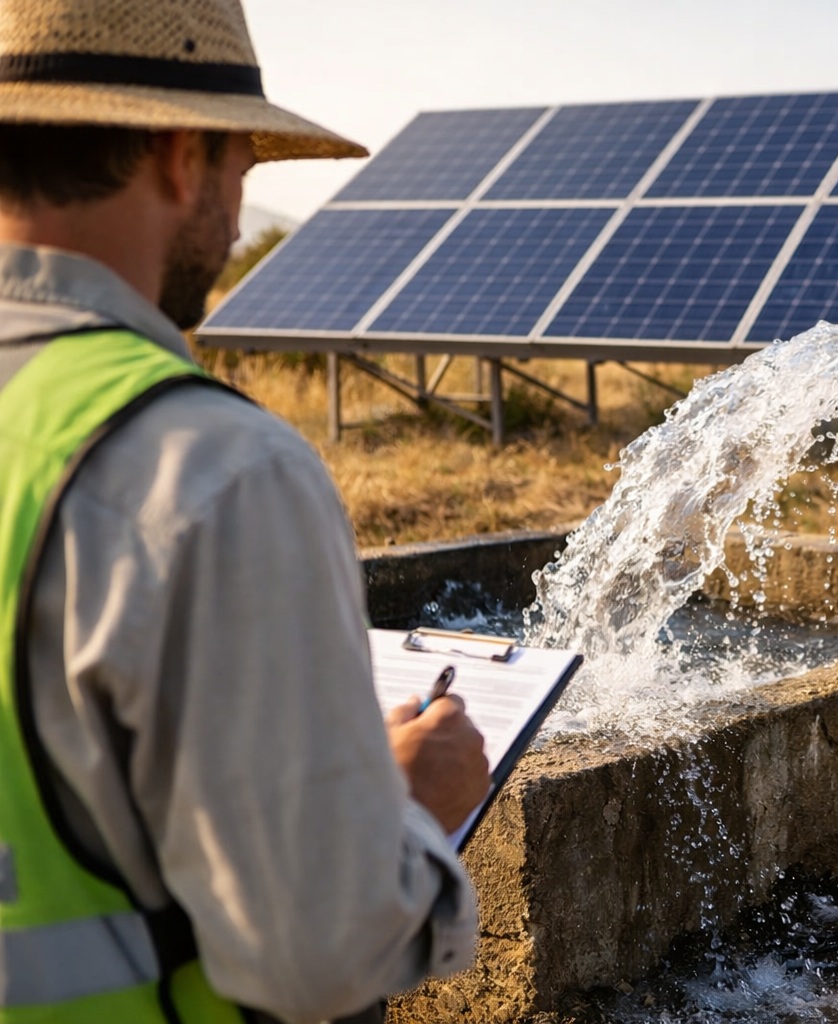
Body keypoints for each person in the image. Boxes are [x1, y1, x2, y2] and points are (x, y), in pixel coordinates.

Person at [0, 1, 490, 1021]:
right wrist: (406, 809)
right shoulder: (211, 469)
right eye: (244, 161)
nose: (237, 212)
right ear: (183, 155)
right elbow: (319, 952)